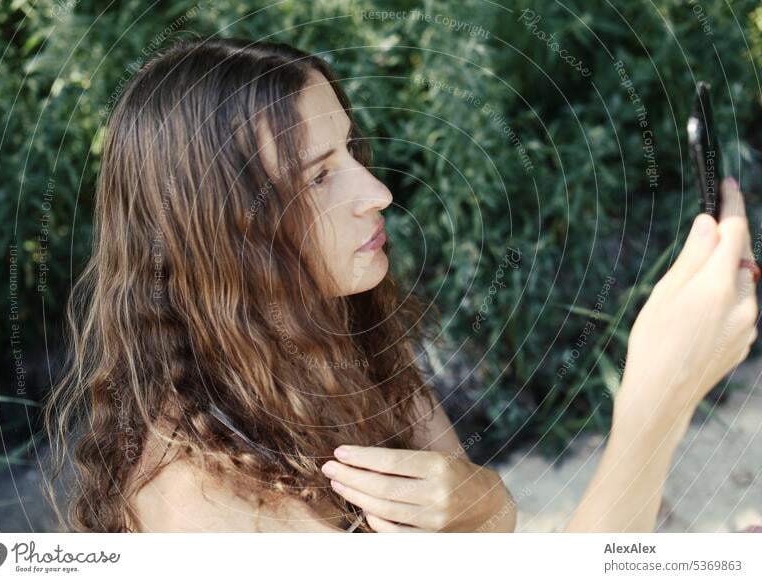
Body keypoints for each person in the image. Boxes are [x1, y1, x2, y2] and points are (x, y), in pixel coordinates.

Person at [43, 37, 758, 533]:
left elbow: (484, 539)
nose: (379, 192)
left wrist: (487, 505)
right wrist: (655, 400)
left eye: (350, 150)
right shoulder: (209, 504)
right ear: (219, 229)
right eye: (319, 176)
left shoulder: (339, 345)